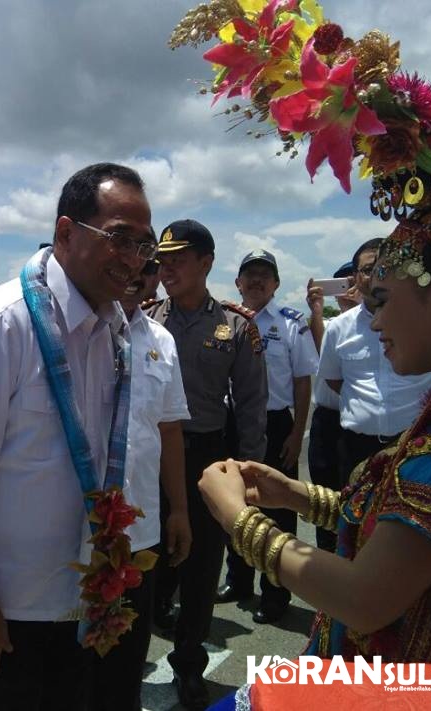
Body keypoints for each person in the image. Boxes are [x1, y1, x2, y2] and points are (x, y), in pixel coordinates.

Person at [170, 4, 431, 707]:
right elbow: (405, 538)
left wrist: (237, 519)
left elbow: (363, 596)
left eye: (381, 298)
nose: (370, 320)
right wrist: (295, 495)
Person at [0, 162, 155, 709]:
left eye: (143, 245)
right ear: (66, 233)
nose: (133, 259)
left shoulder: (114, 329)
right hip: (5, 609)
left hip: (79, 600)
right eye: (119, 238)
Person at [146, 219, 268, 710]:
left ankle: (189, 664)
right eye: (162, 261)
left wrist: (250, 472)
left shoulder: (236, 327)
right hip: (149, 455)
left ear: (206, 263)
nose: (167, 269)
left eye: (178, 259)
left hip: (205, 456)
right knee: (144, 556)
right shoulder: (145, 319)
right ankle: (137, 640)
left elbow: (252, 403)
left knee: (200, 565)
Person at [89, 259, 193, 710]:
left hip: (139, 527)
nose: (135, 276)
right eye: (125, 265)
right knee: (74, 661)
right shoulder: (76, 333)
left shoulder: (162, 341)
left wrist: (179, 510)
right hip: (78, 529)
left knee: (126, 657)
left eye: (147, 268)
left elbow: (169, 430)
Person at [217, 250, 317, 624]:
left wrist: (296, 432)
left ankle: (275, 592)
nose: (257, 280)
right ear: (238, 282)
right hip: (235, 422)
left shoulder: (291, 324)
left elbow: (303, 381)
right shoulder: (224, 320)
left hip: (275, 426)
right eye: (250, 274)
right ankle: (238, 580)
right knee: (235, 503)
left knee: (278, 510)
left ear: (276, 284)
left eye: (265, 275)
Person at [317, 239, 431, 488]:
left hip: (416, 444)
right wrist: (365, 405)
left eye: (385, 267)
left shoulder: (426, 320)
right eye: (368, 269)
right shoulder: (339, 327)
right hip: (357, 448)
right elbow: (333, 378)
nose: (376, 276)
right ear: (354, 277)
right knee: (355, 512)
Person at [304, 261, 360, 552]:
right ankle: (327, 552)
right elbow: (320, 345)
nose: (345, 290)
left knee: (354, 494)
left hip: (357, 422)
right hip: (327, 419)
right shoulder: (329, 325)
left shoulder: (373, 323)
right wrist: (316, 311)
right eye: (339, 285)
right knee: (323, 492)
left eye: (350, 283)